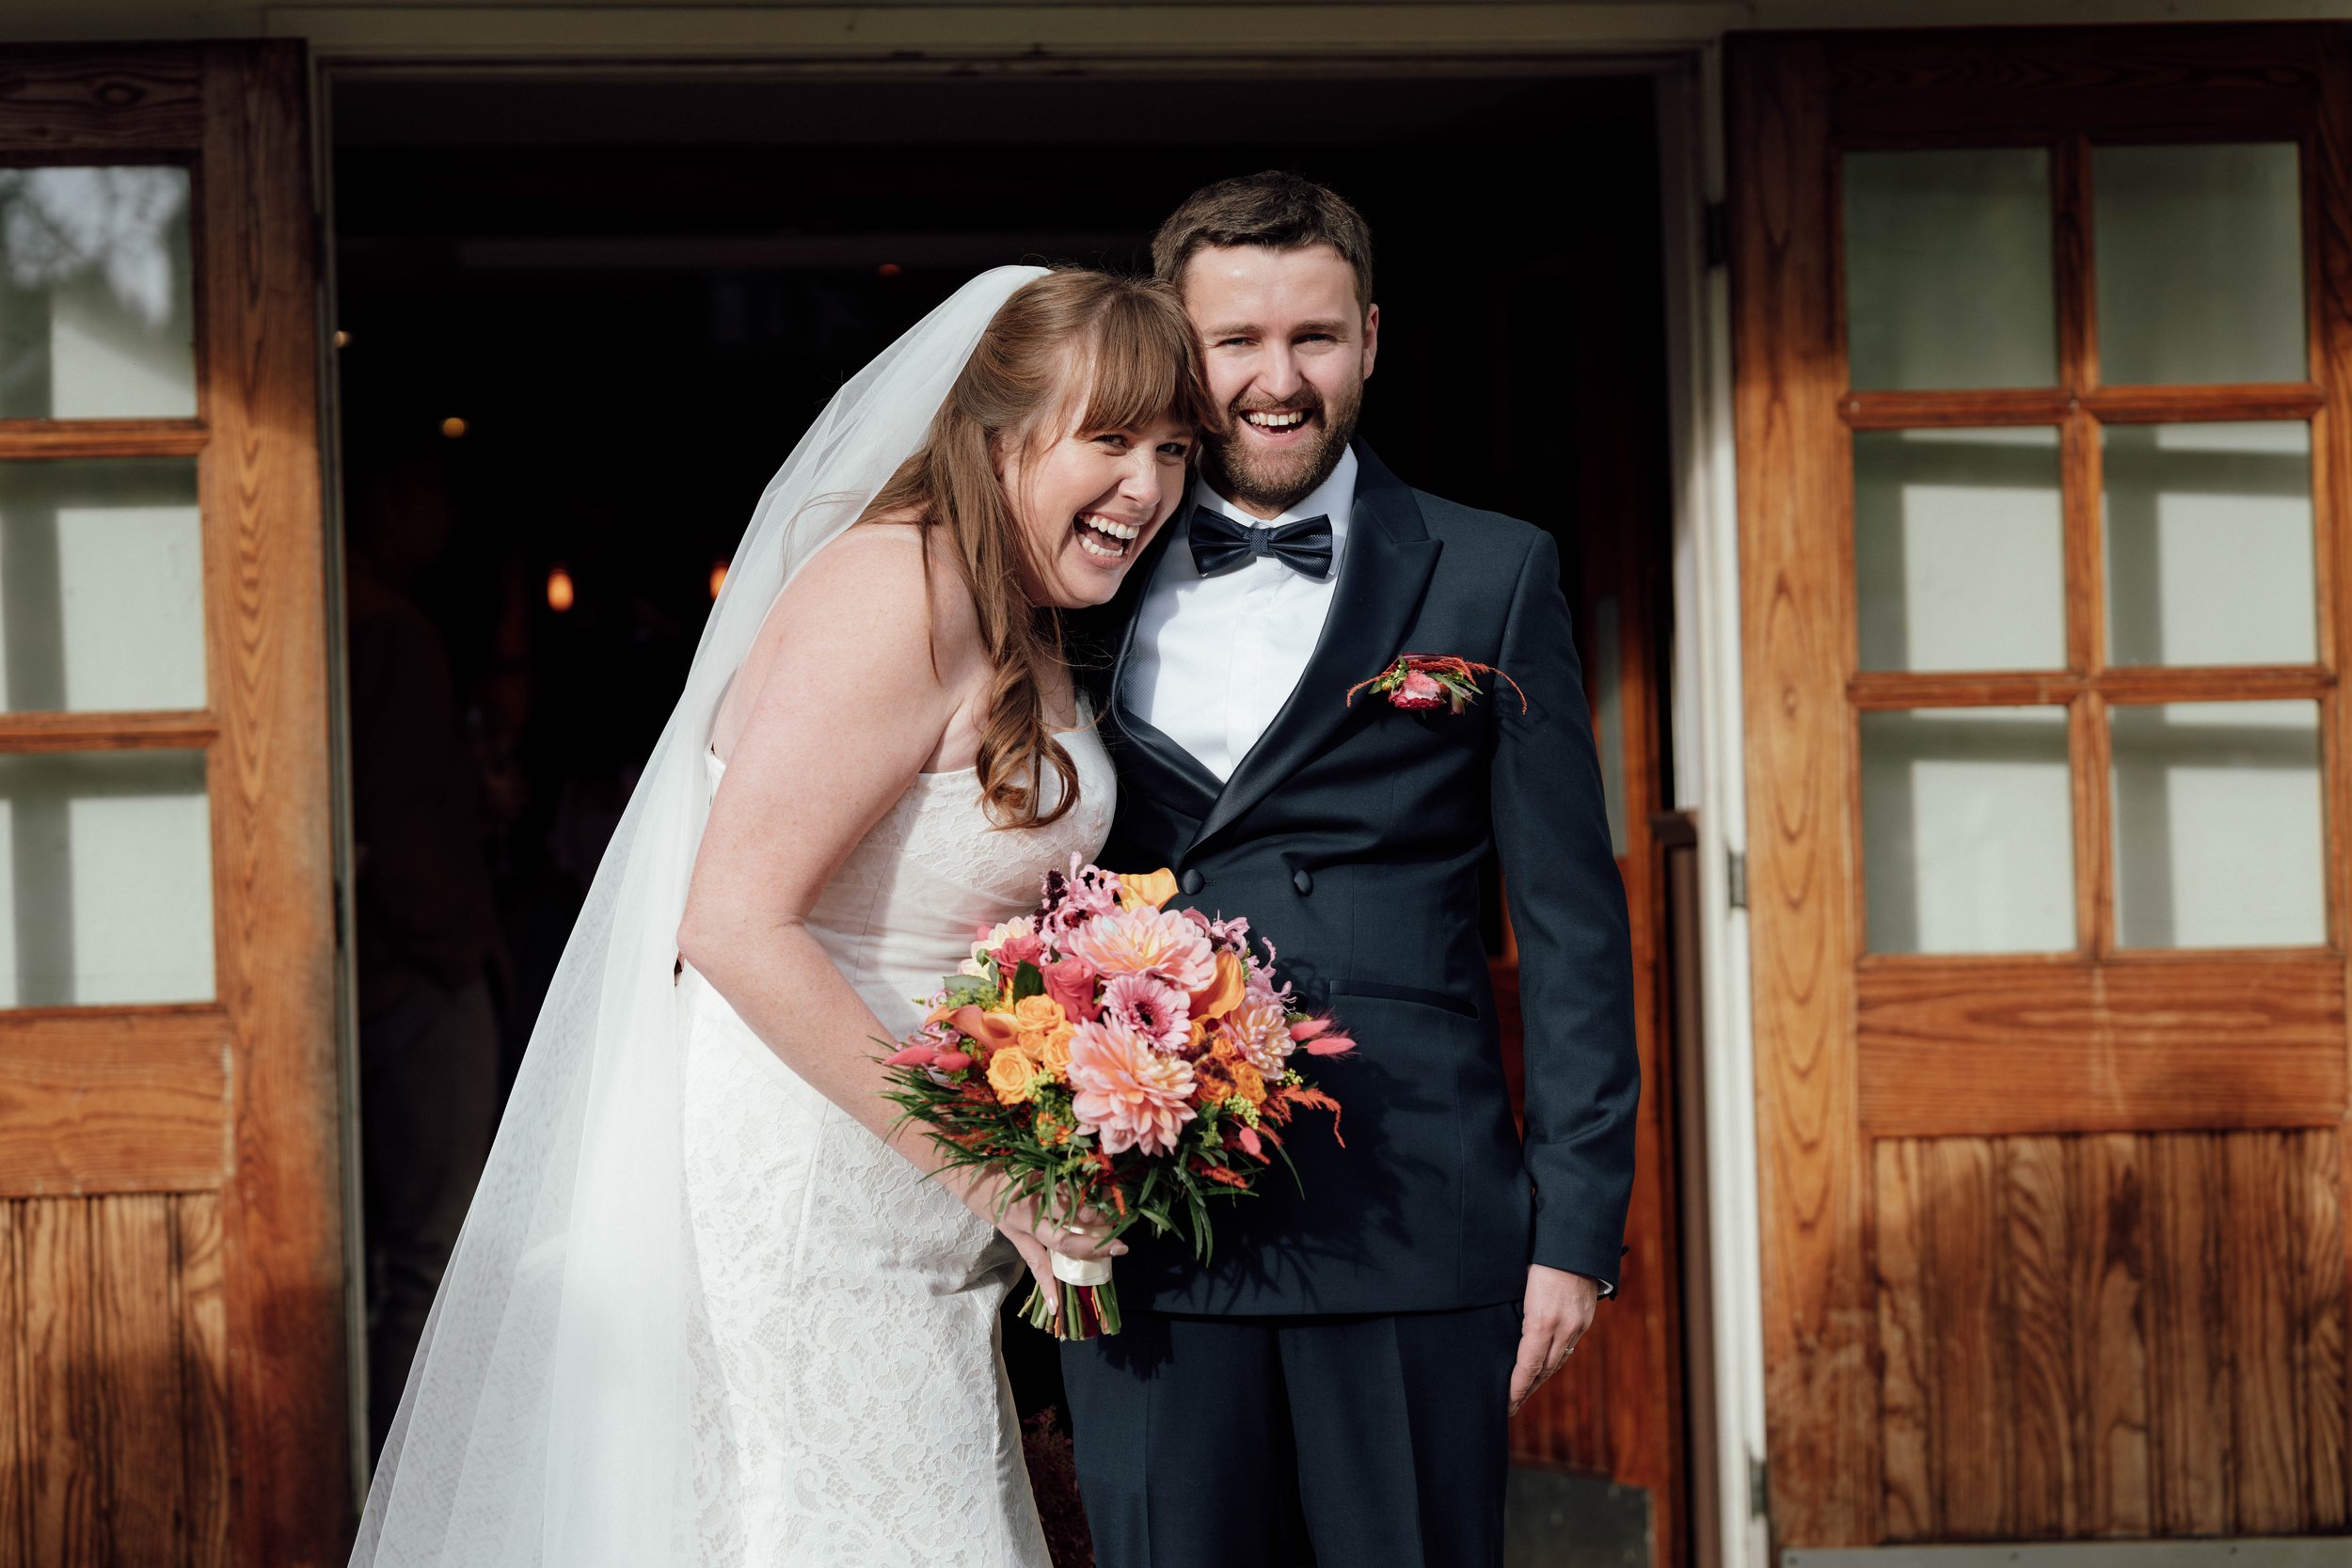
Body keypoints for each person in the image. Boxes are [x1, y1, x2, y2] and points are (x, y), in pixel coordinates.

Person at [352, 265, 1215, 1566]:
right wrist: (995, 1169)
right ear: (995, 436)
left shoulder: (1014, 613)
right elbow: (738, 918)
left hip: (904, 1190)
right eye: (1108, 439)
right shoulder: (896, 591)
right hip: (805, 1187)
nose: (1147, 485)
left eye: (1171, 447)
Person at [1059, 172, 1642, 1568]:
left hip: (1411, 1206)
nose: (1278, 380)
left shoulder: (1493, 572)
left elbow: (1572, 926)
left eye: (1313, 336)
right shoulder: (1076, 571)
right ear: (1174, 353)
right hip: (1145, 1217)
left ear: (1371, 338)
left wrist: (1576, 1228)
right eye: (1235, 342)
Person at [343, 448, 506, 1459]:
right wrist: (456, 954)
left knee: (400, 1248)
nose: (443, 520)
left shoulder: (363, 620)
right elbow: (397, 827)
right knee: (430, 1249)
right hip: (415, 971)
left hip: (385, 965)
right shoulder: (388, 633)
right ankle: (415, 1476)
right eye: (431, 493)